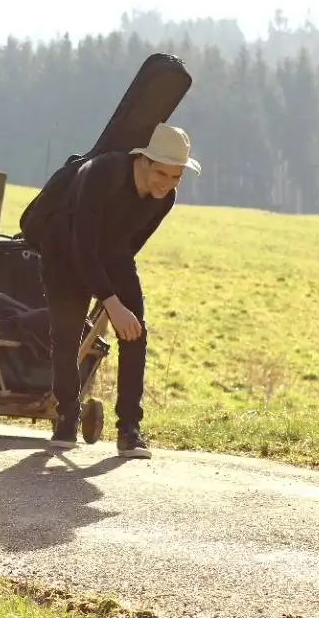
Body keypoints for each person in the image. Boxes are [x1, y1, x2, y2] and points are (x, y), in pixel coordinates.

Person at [37, 123, 200, 458]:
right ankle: (66, 418)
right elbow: (82, 247)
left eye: (176, 177)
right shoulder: (102, 174)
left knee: (135, 332)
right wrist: (110, 302)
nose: (167, 184)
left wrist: (117, 297)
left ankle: (129, 429)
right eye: (162, 173)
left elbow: (131, 244)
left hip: (113, 255)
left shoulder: (164, 198)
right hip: (64, 253)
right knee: (67, 334)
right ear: (144, 160)